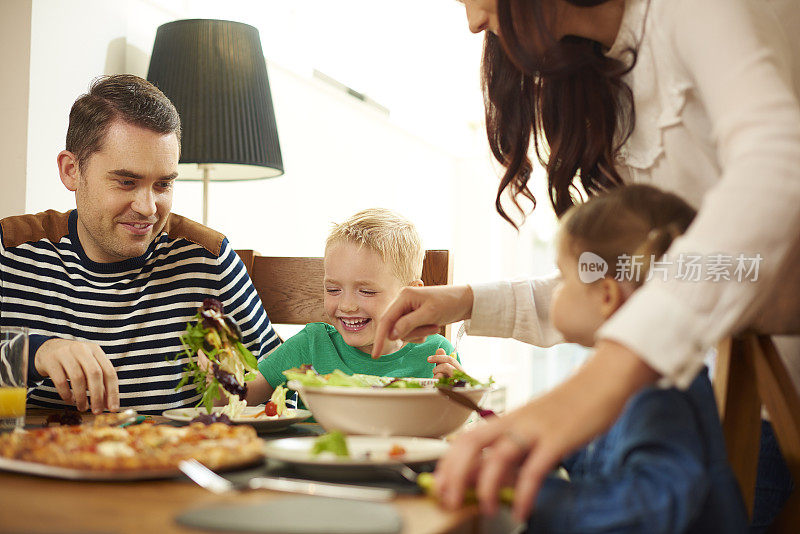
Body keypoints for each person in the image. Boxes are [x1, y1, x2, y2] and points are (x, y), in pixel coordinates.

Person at [371, 0, 800, 527]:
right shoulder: (608, 71)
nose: (473, 21)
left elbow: (777, 168)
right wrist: (464, 303)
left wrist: (614, 370)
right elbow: (632, 277)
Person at [0, 74, 280, 415]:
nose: (148, 208)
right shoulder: (9, 251)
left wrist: (236, 394)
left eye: (163, 184)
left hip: (176, 461)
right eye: (126, 182)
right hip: (37, 461)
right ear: (71, 170)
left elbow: (280, 394)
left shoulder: (208, 260)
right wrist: (30, 353)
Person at [526, 184, 747, 533]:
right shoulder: (619, 378)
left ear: (607, 295)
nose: (555, 291)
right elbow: (590, 454)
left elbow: (656, 501)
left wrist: (530, 496)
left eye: (562, 278)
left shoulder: (659, 389)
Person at [250, 208, 461, 402]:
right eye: (333, 290)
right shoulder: (312, 344)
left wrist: (459, 392)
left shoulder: (437, 354)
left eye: (366, 291)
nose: (347, 305)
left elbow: (464, 427)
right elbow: (245, 393)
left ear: (411, 296)